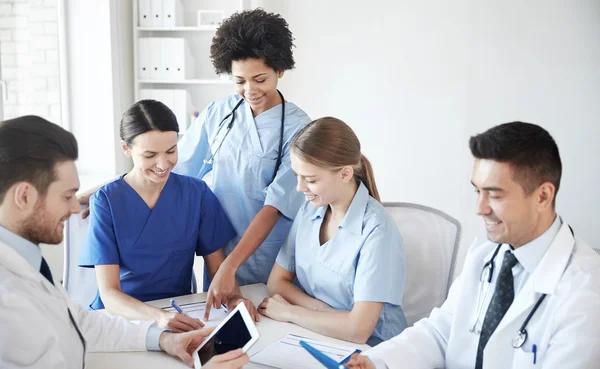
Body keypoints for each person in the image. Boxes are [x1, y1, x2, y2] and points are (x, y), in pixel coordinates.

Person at [0, 115, 249, 369]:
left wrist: (162, 340)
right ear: (24, 196)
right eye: (67, 196)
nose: (77, 208)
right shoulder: (9, 298)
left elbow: (80, 324)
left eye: (171, 151)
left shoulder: (27, 264)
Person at [346, 122, 600, 369]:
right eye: (478, 191)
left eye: (495, 195)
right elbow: (440, 333)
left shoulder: (585, 295)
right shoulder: (486, 256)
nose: (480, 209)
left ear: (543, 196)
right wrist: (377, 362)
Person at [78, 100, 257, 332]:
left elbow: (218, 269)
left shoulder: (196, 193)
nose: (163, 164)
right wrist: (158, 317)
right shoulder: (107, 201)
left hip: (179, 312)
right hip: (122, 317)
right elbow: (110, 293)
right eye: (150, 155)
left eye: (171, 151)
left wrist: (234, 299)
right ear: (126, 149)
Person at [258, 117, 408, 346]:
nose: (300, 188)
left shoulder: (378, 231)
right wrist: (327, 314)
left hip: (372, 349)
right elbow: (276, 282)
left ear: (345, 174)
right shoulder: (310, 209)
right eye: (297, 176)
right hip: (319, 334)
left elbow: (358, 330)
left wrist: (290, 312)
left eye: (310, 179)